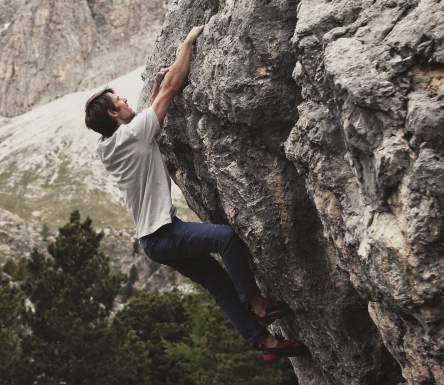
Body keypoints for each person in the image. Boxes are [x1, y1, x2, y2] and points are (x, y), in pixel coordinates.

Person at [84, 25, 307, 362]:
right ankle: (255, 303)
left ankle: (263, 343)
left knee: (218, 284)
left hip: (153, 242)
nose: (127, 100)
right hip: (165, 234)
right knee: (226, 239)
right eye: (120, 101)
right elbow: (172, 90)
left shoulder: (109, 146)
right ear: (115, 114)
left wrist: (155, 89)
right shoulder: (133, 136)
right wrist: (188, 43)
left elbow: (145, 113)